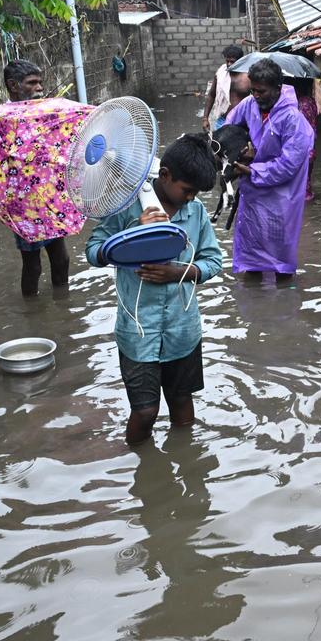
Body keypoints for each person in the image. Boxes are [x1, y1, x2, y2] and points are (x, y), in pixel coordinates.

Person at [85, 134, 224, 446]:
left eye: (195, 193)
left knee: (182, 401)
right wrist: (133, 233)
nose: (190, 198)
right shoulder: (124, 206)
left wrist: (179, 273)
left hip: (182, 328)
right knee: (145, 411)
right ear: (165, 176)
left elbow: (213, 260)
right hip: (138, 331)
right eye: (186, 190)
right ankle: (142, 473)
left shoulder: (196, 212)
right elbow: (93, 252)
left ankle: (185, 461)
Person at [224, 59, 315, 282]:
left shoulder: (293, 119)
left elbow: (288, 165)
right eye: (253, 90)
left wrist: (253, 171)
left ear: (277, 88)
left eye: (261, 91)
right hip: (252, 195)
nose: (256, 95)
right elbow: (229, 127)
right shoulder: (249, 104)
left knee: (281, 258)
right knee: (251, 255)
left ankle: (286, 306)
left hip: (281, 198)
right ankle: (254, 311)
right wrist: (239, 149)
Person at [2, 59, 70, 296]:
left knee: (61, 259)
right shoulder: (3, 120)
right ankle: (32, 311)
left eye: (40, 82)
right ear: (13, 85)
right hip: (23, 202)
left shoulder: (45, 113)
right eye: (32, 83)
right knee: (33, 265)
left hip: (49, 194)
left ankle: (62, 308)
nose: (39, 87)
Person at [202, 44, 244, 133]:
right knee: (220, 146)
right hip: (222, 121)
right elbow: (211, 95)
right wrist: (205, 118)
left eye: (232, 62)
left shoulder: (248, 76)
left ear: (240, 61)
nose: (229, 64)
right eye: (227, 61)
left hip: (242, 122)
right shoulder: (220, 74)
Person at [291, 79, 320, 201]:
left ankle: (303, 208)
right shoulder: (311, 101)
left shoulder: (298, 105)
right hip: (310, 146)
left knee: (298, 181)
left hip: (299, 148)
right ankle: (308, 200)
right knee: (306, 179)